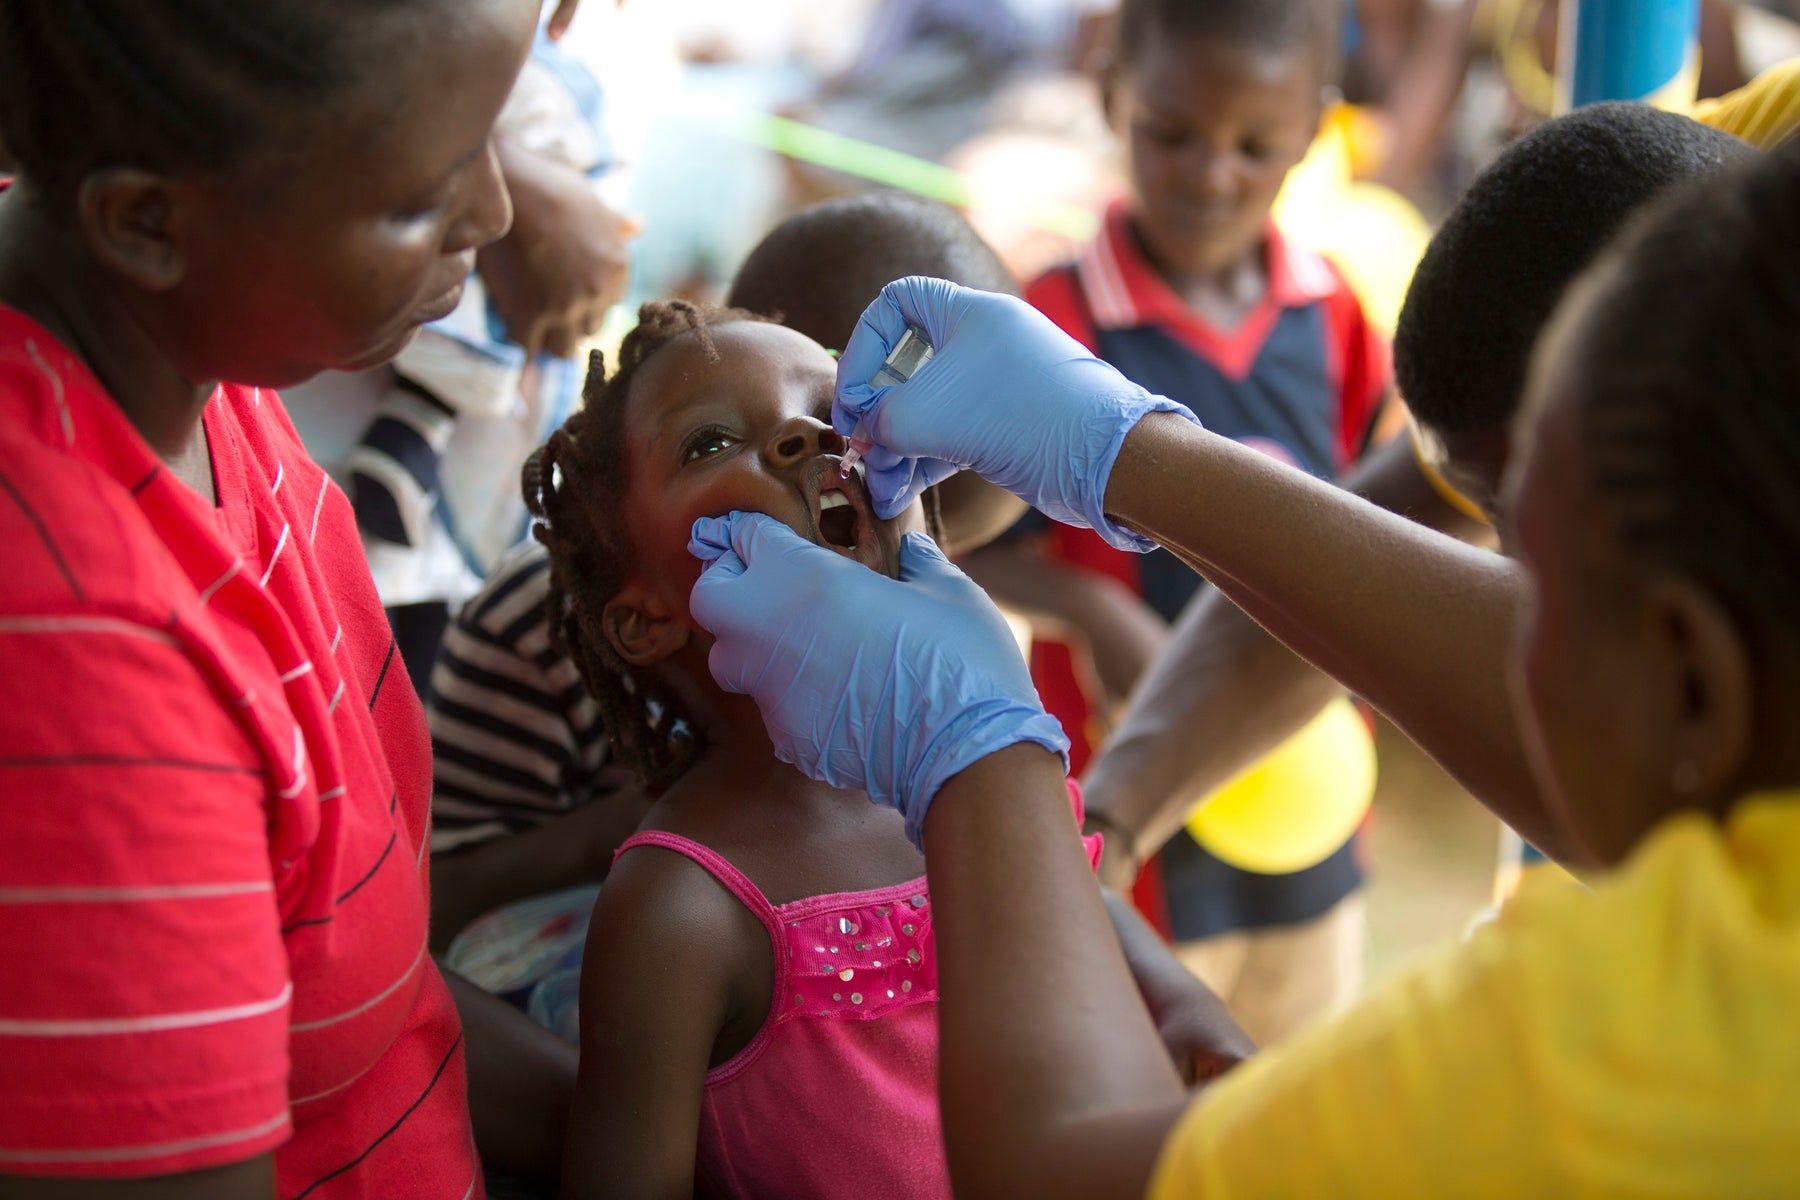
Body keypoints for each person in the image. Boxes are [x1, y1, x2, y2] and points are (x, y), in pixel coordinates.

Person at [687, 139, 1800, 1196]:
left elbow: (1060, 1174)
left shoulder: (1650, 1034)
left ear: (1695, 679)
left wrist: (977, 747)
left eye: (1519, 570)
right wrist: (1130, 453)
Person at [0, 0, 579, 1194]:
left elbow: (374, 1004)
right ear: (149, 223)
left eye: (493, 139)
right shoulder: (75, 655)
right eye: (423, 194)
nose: (496, 215)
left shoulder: (183, 358)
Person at [533, 300, 1248, 1199]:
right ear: (646, 615)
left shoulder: (980, 757)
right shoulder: (683, 904)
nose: (805, 434)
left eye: (833, 410)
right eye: (710, 443)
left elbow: (1068, 899)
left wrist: (1186, 1007)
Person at [1081, 102, 1754, 895]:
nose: (1511, 574)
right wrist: (1108, 832)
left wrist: (1121, 454)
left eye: (1536, 532)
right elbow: (1348, 563)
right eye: (1502, 525)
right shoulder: (1678, 221)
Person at [971, 0, 1460, 1042]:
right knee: (1156, 1083)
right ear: (1112, 97)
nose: (1211, 174)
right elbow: (975, 544)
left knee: (1290, 1071)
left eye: (1254, 146)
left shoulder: (1335, 317)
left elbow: (1386, 527)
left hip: (1313, 821)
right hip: (1125, 816)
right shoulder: (1050, 325)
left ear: (1315, 128)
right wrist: (1093, 614)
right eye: (1173, 132)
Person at [425, 193, 1026, 961]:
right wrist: (691, 804)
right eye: (714, 439)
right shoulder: (535, 625)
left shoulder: (936, 663)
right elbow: (427, 906)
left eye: (932, 539)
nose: (906, 549)